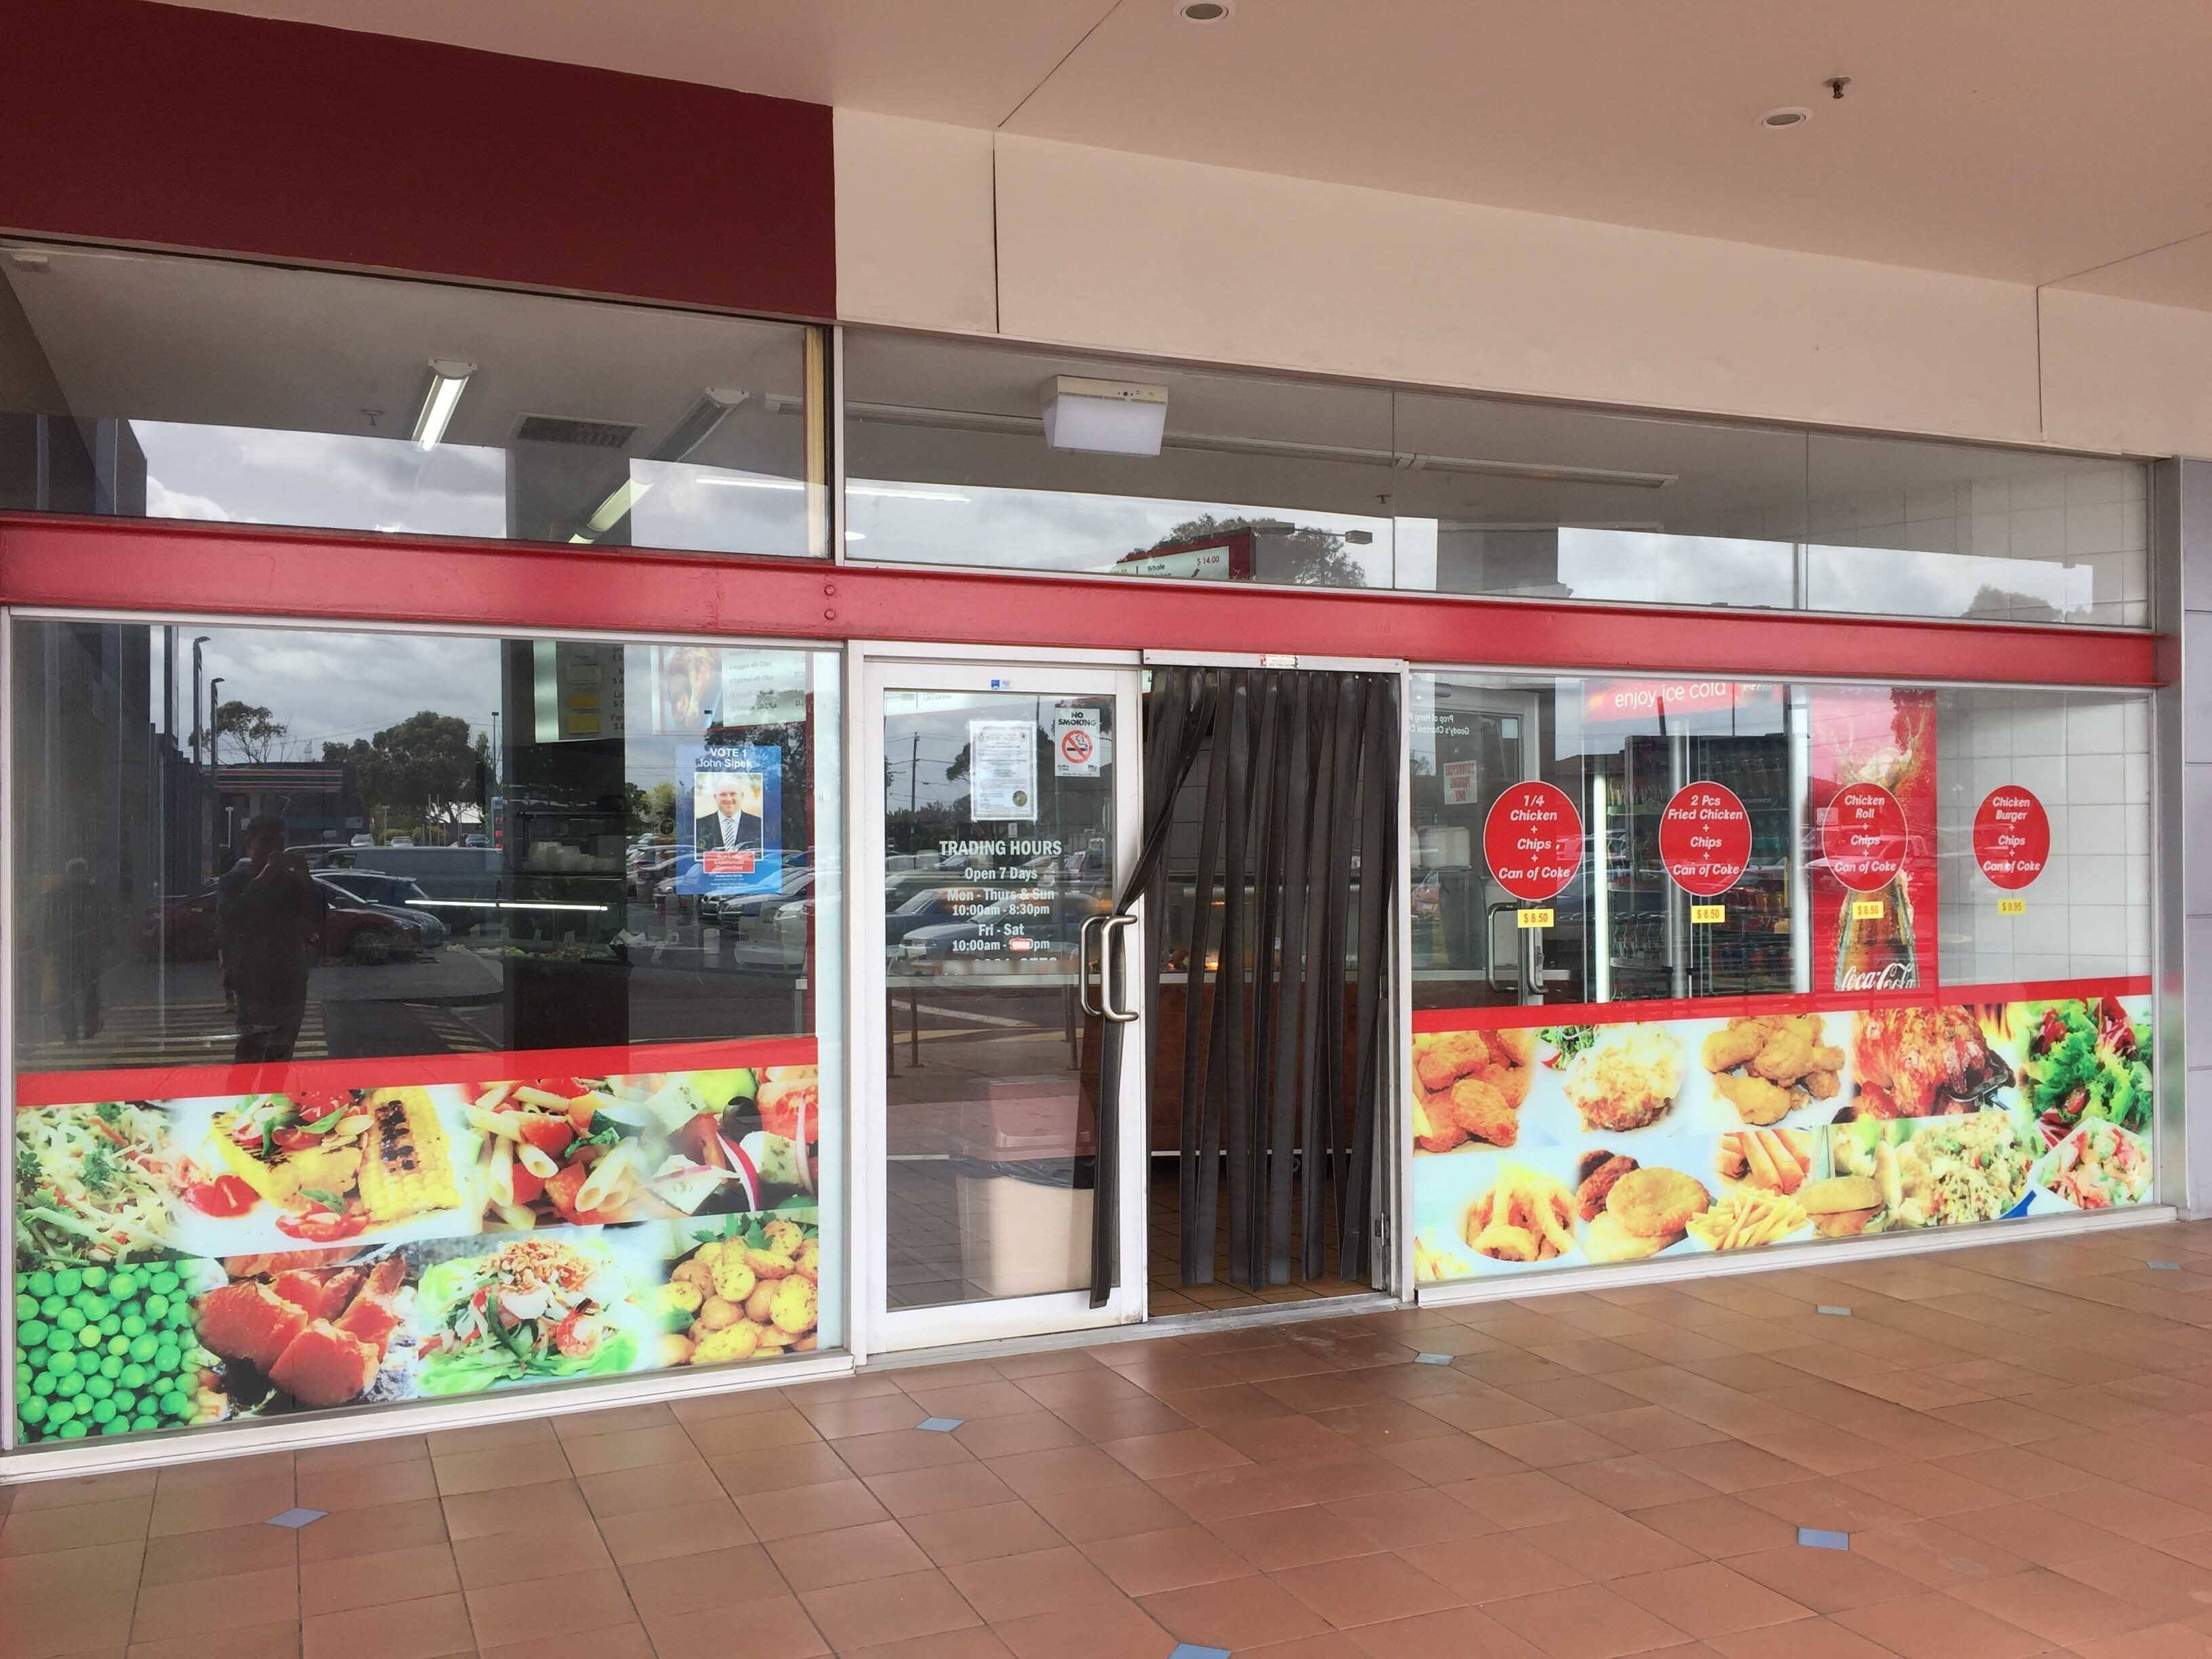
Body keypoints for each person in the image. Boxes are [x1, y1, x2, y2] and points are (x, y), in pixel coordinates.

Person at [218, 814, 325, 1063]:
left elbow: (318, 915)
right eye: (266, 842)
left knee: (281, 1054)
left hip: (289, 977)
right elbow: (231, 916)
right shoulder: (233, 881)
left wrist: (305, 878)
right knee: (249, 1054)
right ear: (250, 843)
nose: (273, 850)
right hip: (252, 979)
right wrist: (263, 877)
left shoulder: (291, 882)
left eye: (279, 843)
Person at [43, 858, 111, 1042]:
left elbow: (49, 924)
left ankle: (69, 1029)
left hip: (65, 951)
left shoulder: (57, 896)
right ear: (85, 873)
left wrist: (48, 946)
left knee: (66, 992)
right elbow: (105, 921)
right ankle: (90, 1025)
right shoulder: (95, 894)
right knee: (91, 989)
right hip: (89, 950)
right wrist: (106, 943)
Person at [694, 778, 763, 856]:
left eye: (733, 794)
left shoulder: (759, 824)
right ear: (715, 797)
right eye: (723, 795)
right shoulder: (699, 825)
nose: (728, 799)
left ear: (742, 796)